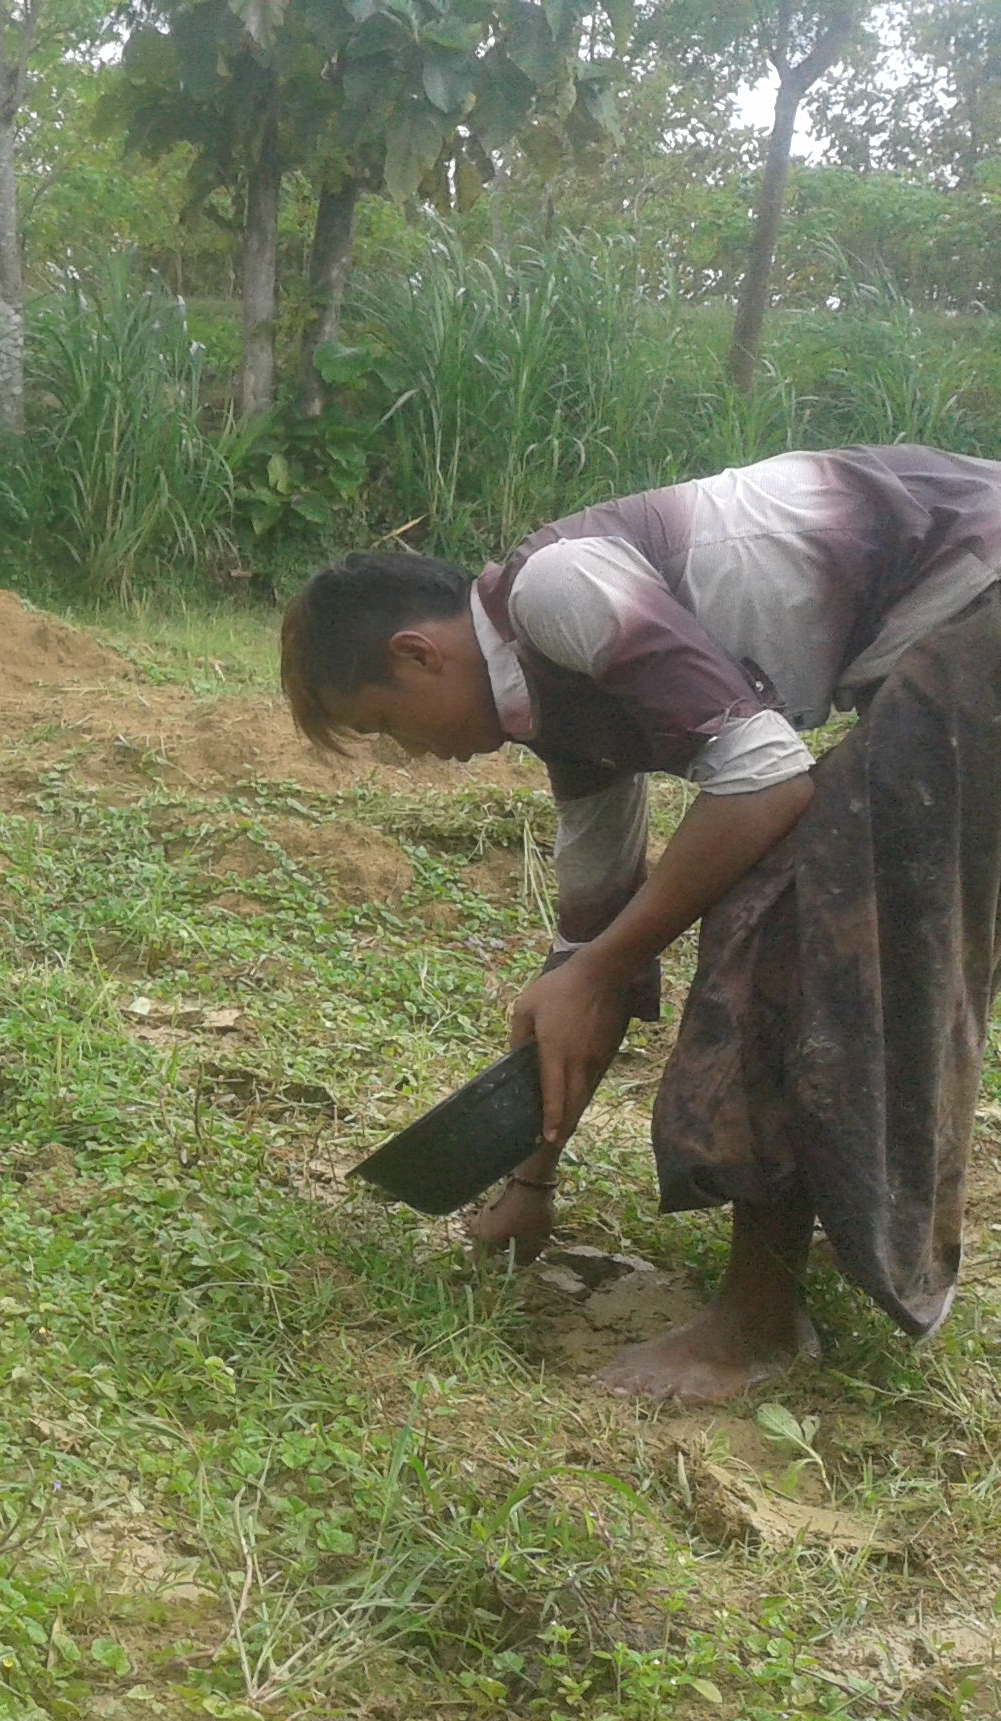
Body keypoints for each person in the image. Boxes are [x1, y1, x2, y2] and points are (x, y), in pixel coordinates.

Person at [280, 445, 1001, 1404]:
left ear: (419, 654)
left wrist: (596, 968)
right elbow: (595, 953)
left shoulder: (559, 590)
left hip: (983, 597)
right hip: (958, 624)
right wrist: (532, 1179)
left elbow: (767, 781)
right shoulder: (576, 727)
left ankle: (757, 1324)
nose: (407, 754)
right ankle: (830, 1241)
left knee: (774, 916)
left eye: (383, 724)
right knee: (833, 919)